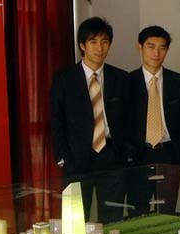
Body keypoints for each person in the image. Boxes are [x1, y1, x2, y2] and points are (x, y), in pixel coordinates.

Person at [50, 17, 129, 222]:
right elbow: (56, 120)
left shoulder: (121, 78)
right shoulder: (64, 79)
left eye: (105, 42)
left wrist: (127, 152)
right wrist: (63, 156)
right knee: (75, 220)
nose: (99, 48)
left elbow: (129, 119)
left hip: (112, 156)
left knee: (112, 218)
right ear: (82, 45)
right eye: (93, 42)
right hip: (76, 158)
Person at [127, 25, 180, 215]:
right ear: (140, 47)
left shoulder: (178, 81)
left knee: (167, 210)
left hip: (169, 153)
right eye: (151, 46)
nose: (156, 53)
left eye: (162, 48)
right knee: (138, 212)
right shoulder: (127, 81)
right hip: (139, 155)